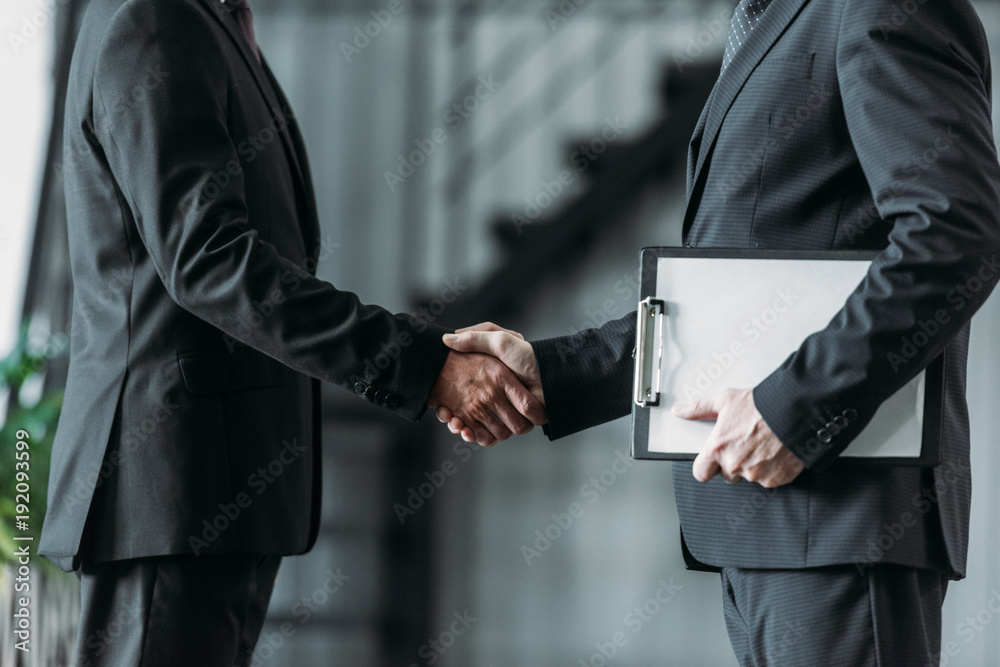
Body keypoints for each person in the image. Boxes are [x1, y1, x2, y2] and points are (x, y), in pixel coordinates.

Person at [438, 0, 1000, 663]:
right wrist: (553, 372)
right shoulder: (775, 16)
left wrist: (793, 411)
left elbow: (957, 233)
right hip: (775, 525)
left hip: (841, 519)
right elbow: (743, 293)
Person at [38, 0, 544, 664]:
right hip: (168, 499)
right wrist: (421, 365)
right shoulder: (153, 16)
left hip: (209, 504)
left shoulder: (208, 19)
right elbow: (208, 259)